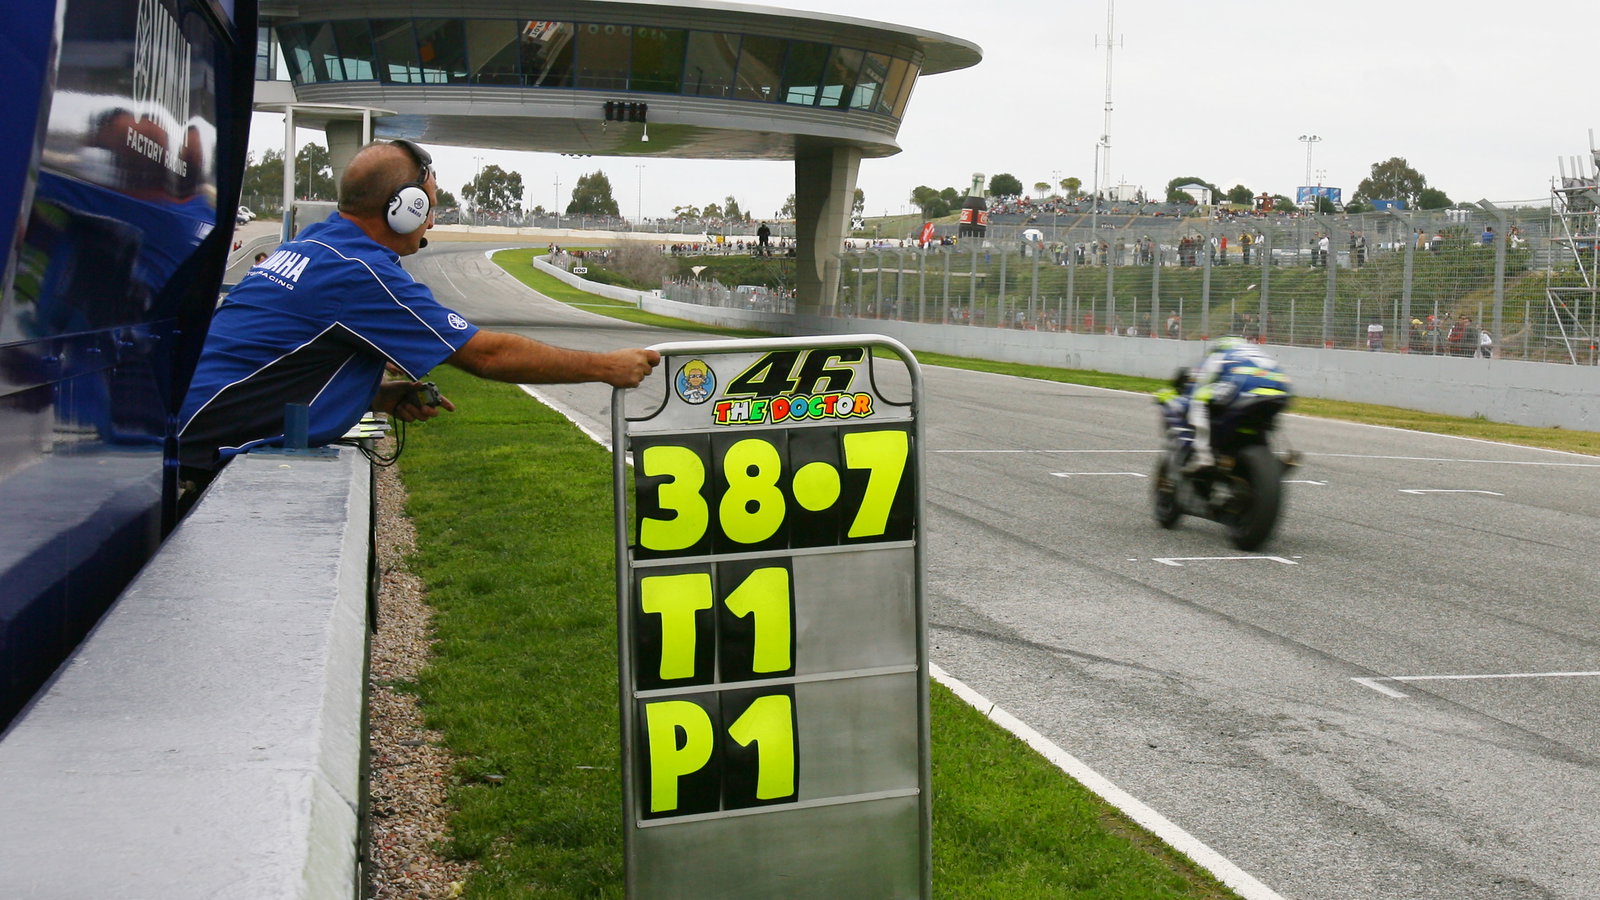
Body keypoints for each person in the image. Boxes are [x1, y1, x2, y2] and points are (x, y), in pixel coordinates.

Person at [178, 139, 660, 482]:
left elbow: (278, 361)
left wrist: (375, 394)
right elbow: (485, 355)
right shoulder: (358, 273)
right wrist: (606, 366)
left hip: (179, 437)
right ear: (401, 208)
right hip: (193, 459)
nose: (432, 216)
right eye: (429, 203)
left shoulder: (317, 244)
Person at [1181, 336, 1291, 472]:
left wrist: (1188, 397)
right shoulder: (1257, 352)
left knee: (1199, 399)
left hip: (1244, 386)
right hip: (1280, 389)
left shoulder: (1220, 353)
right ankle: (1272, 458)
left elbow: (1200, 380)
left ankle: (1203, 455)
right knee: (1264, 421)